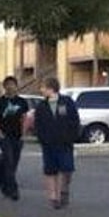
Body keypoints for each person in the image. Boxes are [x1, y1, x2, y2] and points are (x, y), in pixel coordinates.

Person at [32, 76, 81, 209]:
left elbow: (74, 120)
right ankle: (54, 197)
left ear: (50, 88)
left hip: (65, 143)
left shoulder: (67, 102)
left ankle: (64, 189)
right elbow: (38, 124)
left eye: (42, 87)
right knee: (50, 170)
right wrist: (41, 138)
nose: (41, 90)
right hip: (48, 143)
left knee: (67, 169)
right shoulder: (41, 106)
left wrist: (72, 136)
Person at [0, 75, 30, 200]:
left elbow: (24, 118)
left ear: (16, 86)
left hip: (17, 137)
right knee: (8, 161)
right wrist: (0, 134)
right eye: (8, 85)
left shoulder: (21, 102)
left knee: (14, 164)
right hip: (5, 136)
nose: (10, 87)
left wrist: (23, 134)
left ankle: (5, 186)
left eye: (13, 84)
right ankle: (14, 190)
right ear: (4, 87)